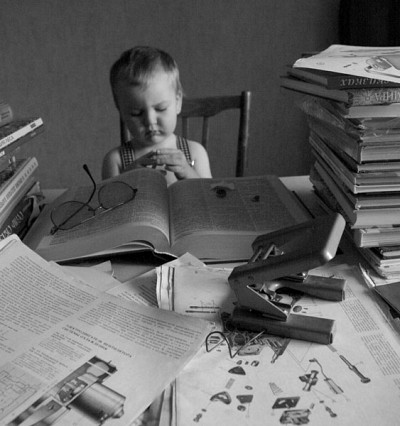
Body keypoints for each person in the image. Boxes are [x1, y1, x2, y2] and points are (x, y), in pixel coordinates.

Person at [102, 46, 212, 185]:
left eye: (161, 108)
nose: (150, 121)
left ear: (178, 102)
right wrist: (127, 178)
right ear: (121, 111)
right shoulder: (116, 160)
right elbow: (108, 198)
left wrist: (188, 172)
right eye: (136, 113)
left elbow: (208, 195)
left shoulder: (195, 152)